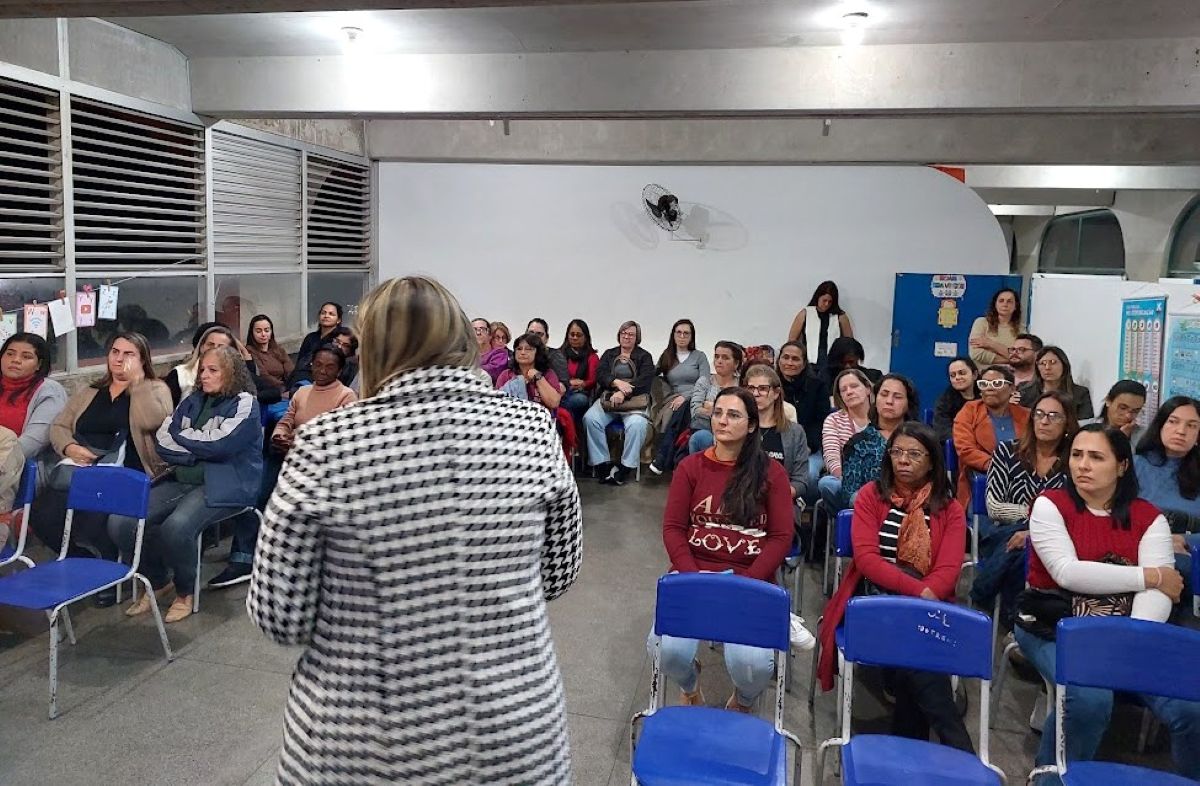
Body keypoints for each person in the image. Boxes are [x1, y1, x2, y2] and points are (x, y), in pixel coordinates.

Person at [248, 275, 582, 785]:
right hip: (514, 735)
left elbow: (280, 616)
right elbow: (557, 576)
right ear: (463, 341)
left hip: (362, 744)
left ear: (375, 348)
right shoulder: (533, 430)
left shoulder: (326, 444)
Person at [1015, 425, 1198, 781]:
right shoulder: (1051, 505)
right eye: (1077, 455)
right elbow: (1068, 573)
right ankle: (1051, 778)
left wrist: (1127, 640)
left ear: (1122, 466)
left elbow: (1160, 594)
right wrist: (1150, 575)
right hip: (1053, 624)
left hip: (1135, 633)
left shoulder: (1148, 518)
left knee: (1192, 708)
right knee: (1089, 699)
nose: (1082, 465)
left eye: (1096, 457)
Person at [817, 423, 972, 752]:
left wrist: (921, 599)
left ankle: (912, 748)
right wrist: (917, 595)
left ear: (931, 461)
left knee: (912, 658)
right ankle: (957, 748)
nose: (903, 460)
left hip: (929, 606)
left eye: (914, 454)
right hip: (875, 600)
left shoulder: (950, 509)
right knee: (919, 655)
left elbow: (947, 571)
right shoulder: (871, 496)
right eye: (897, 452)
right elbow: (867, 560)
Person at [656, 387, 793, 712]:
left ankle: (743, 699)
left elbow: (780, 537)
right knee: (668, 654)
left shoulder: (771, 472)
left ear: (751, 425)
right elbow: (673, 529)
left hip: (749, 580)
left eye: (733, 415)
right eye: (718, 413)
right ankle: (690, 685)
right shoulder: (691, 467)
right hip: (695, 576)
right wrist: (693, 578)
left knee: (752, 667)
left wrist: (748, 581)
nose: (722, 421)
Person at [110, 345, 263, 622]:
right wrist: (197, 452)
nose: (203, 375)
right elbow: (164, 440)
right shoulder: (192, 399)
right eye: (202, 369)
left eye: (213, 370)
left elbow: (221, 444)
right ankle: (158, 581)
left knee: (177, 527)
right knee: (121, 521)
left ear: (231, 373)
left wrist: (185, 439)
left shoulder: (245, 403)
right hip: (183, 476)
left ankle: (184, 591)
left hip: (227, 483)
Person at [28, 333, 173, 606]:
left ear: (142, 359)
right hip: (82, 468)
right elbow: (60, 426)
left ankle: (110, 572)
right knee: (42, 514)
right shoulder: (91, 391)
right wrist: (70, 447)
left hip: (128, 471)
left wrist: (137, 384)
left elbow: (152, 420)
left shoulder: (156, 389)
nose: (119, 359)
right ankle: (85, 560)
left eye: (128, 354)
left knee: (95, 517)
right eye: (115, 352)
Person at [969, 391, 1075, 625]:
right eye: (1039, 414)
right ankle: (1017, 621)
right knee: (1022, 550)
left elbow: (1073, 515)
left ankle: (988, 600)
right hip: (1001, 533)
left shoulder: (1073, 462)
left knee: (1027, 550)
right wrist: (1039, 518)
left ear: (1067, 423)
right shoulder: (1007, 452)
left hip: (1050, 537)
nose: (1044, 421)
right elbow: (995, 507)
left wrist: (1033, 530)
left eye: (1054, 416)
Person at [1134, 396, 1200, 607]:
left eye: (1191, 426)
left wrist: (1185, 540)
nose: (1181, 431)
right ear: (1160, 425)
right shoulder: (1135, 465)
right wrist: (1161, 541)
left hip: (1189, 555)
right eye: (1173, 421)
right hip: (1141, 552)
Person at [583, 320, 655, 486]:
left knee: (637, 425)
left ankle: (625, 467)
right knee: (590, 419)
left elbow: (645, 381)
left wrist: (624, 392)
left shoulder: (645, 356)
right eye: (624, 333)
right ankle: (602, 464)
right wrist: (616, 383)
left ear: (637, 338)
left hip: (634, 402)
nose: (626, 337)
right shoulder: (609, 354)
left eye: (631, 334)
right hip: (609, 400)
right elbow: (600, 374)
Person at [952, 364, 1030, 507]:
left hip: (1024, 479)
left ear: (1012, 388)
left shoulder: (1026, 415)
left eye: (997, 383)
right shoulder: (969, 411)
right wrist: (1000, 467)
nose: (989, 388)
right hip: (982, 480)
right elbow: (966, 450)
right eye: (984, 384)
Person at [840, 374, 920, 509]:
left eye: (897, 397)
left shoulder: (921, 441)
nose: (889, 401)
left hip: (915, 506)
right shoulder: (859, 443)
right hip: (871, 508)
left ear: (908, 404)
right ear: (875, 399)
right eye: (884, 394)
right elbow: (849, 495)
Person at [745, 366, 811, 511]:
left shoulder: (795, 432)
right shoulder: (739, 427)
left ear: (776, 393)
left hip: (780, 501)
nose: (755, 394)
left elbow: (800, 481)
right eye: (751, 388)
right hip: (742, 500)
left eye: (763, 389)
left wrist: (776, 496)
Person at [649, 319, 710, 474]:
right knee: (675, 410)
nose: (682, 336)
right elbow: (651, 374)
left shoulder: (699, 356)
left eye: (686, 333)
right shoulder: (667, 356)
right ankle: (673, 461)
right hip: (673, 398)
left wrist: (686, 396)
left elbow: (705, 380)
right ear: (673, 335)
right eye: (679, 333)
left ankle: (663, 457)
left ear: (692, 336)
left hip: (697, 396)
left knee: (683, 409)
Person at [0, 333, 67, 473]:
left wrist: (4, 460)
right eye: (10, 354)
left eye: (26, 357)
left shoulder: (49, 391)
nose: (16, 360)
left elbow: (33, 443)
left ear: (39, 364)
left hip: (18, 467)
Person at [776, 341, 830, 501]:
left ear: (804, 363)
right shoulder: (770, 386)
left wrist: (808, 446)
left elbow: (821, 422)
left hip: (810, 447)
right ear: (779, 360)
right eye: (785, 357)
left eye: (795, 359)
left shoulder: (818, 387)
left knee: (810, 475)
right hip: (776, 445)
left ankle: (807, 511)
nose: (789, 363)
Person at [818, 368, 873, 514]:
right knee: (827, 484)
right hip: (845, 480)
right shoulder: (833, 420)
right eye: (844, 390)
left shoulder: (882, 418)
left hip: (877, 483)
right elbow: (831, 456)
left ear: (868, 389)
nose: (849, 392)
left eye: (854, 386)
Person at [686, 341, 743, 455]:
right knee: (701, 437)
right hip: (705, 429)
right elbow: (695, 411)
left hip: (734, 432)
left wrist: (711, 407)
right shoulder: (705, 381)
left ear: (736, 363)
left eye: (725, 358)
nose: (719, 361)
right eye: (717, 357)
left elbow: (742, 414)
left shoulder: (741, 385)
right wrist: (726, 412)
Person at [787, 280, 853, 372]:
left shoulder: (840, 316)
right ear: (818, 297)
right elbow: (792, 340)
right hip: (808, 363)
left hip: (833, 364)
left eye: (830, 302)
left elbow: (849, 342)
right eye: (824, 300)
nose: (826, 304)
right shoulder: (805, 313)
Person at [1018, 345, 1094, 420]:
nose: (1047, 367)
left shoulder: (1080, 393)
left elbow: (1085, 422)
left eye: (1053, 362)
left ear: (1064, 365)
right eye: (1043, 363)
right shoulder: (1024, 391)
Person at [496, 333, 562, 412]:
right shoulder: (506, 375)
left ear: (537, 352)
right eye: (519, 349)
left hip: (541, 417)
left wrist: (538, 377)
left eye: (528, 349)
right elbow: (498, 403)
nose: (523, 352)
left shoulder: (548, 374)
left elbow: (554, 403)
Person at [968, 288, 1022, 366]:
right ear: (995, 304)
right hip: (984, 373)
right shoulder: (982, 323)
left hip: (1010, 373)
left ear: (1015, 306)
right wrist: (1010, 360)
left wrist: (990, 344)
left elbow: (1022, 357)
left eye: (1009, 301)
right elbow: (976, 354)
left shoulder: (1021, 329)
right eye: (1001, 301)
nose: (1005, 304)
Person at [291, 301, 342, 384]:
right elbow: (300, 362)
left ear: (338, 320)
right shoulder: (311, 337)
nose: (326, 316)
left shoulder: (338, 340)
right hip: (301, 376)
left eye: (331, 314)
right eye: (323, 313)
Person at [559, 319, 599, 423]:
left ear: (586, 337)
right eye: (572, 334)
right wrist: (568, 383)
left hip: (581, 392)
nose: (575, 338)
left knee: (579, 400)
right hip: (560, 391)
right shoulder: (559, 354)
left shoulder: (592, 357)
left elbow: (593, 380)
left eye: (579, 335)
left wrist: (583, 384)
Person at [245, 314, 294, 398]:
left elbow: (290, 370)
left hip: (287, 388)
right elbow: (263, 375)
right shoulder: (249, 351)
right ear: (252, 333)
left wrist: (292, 385)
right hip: (268, 391)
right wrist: (283, 388)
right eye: (258, 331)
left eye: (267, 330)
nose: (263, 334)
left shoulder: (279, 349)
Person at [1088, 379, 1147, 447]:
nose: (1128, 416)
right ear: (1108, 401)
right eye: (1123, 408)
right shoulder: (1085, 428)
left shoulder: (1143, 436)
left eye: (1135, 411)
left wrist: (1123, 439)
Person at [931, 356, 978, 443]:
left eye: (962, 373)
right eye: (953, 375)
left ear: (974, 374)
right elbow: (943, 431)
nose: (957, 377)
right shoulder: (944, 402)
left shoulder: (986, 395)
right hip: (959, 444)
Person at [525, 318, 569, 391]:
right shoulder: (520, 354)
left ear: (546, 338)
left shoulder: (555, 356)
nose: (534, 337)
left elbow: (562, 386)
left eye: (539, 334)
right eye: (530, 333)